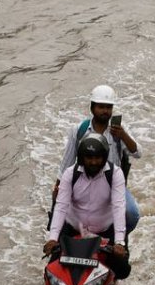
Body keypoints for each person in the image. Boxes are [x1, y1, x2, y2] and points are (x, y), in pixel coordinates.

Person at [56, 84, 142, 238]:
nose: (105, 111)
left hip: (112, 183)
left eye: (109, 107)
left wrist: (123, 136)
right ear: (92, 107)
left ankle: (120, 240)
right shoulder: (79, 130)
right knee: (62, 210)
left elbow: (137, 153)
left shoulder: (118, 131)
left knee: (131, 213)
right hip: (84, 180)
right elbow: (67, 162)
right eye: (101, 107)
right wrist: (58, 186)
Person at [44, 135, 128, 265]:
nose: (93, 162)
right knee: (52, 268)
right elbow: (61, 206)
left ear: (104, 157)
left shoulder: (115, 174)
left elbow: (118, 207)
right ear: (82, 158)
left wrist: (119, 242)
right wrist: (53, 239)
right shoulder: (70, 174)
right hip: (73, 230)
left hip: (105, 231)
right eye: (89, 158)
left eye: (97, 158)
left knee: (123, 269)